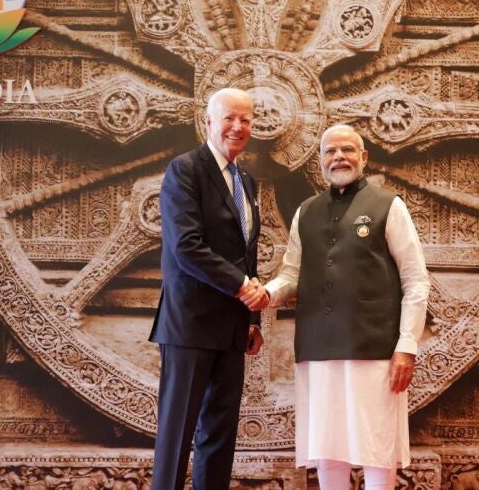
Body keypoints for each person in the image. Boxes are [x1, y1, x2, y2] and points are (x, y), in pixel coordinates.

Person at [248, 124, 430, 490]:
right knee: (327, 448)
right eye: (330, 151)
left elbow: (416, 279)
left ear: (364, 157)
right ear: (320, 161)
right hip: (317, 348)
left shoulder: (388, 205)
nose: (339, 157)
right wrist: (266, 293)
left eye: (347, 149)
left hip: (374, 348)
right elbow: (292, 275)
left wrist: (406, 346)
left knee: (377, 447)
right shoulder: (306, 212)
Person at [149, 87, 268, 490]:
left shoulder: (246, 181)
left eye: (245, 119)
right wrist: (243, 288)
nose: (237, 126)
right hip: (189, 325)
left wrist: (252, 319)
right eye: (229, 118)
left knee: (219, 436)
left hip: (232, 328)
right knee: (176, 437)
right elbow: (186, 247)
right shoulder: (185, 170)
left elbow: (246, 254)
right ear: (208, 123)